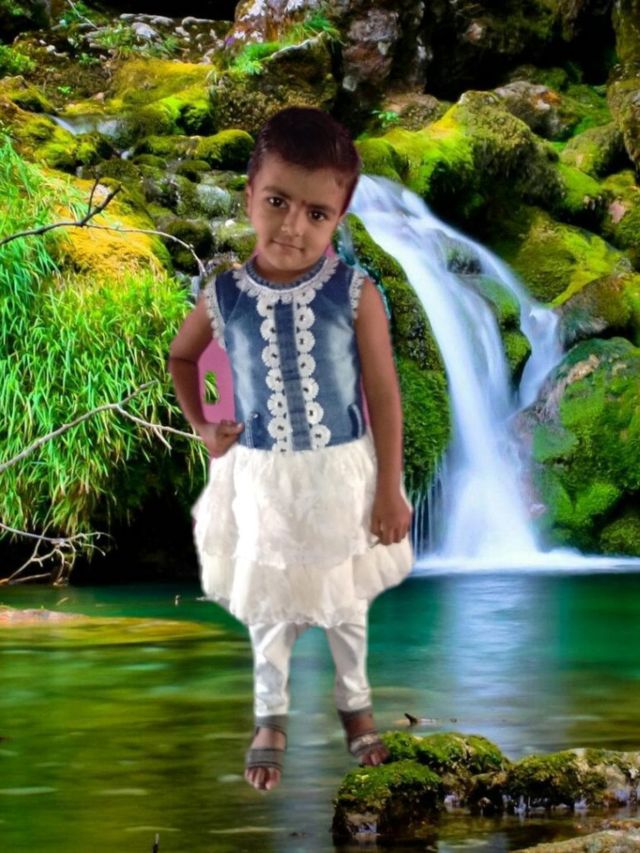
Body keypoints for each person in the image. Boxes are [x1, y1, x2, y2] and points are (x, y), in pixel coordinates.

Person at [167, 106, 413, 793]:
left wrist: (390, 488)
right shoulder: (224, 295)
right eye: (277, 202)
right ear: (249, 194)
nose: (292, 227)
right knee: (271, 603)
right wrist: (203, 424)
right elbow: (182, 358)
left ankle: (355, 704)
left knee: (344, 598)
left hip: (340, 471)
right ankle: (270, 716)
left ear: (340, 217)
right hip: (261, 475)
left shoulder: (355, 294)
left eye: (316, 213)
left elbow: (384, 393)